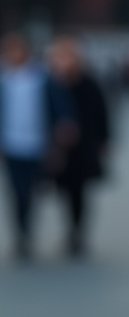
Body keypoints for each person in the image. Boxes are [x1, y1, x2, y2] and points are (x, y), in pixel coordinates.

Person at [47, 38, 111, 257]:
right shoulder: (52, 84)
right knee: (63, 192)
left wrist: (104, 140)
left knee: (80, 192)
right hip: (60, 148)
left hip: (84, 146)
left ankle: (78, 233)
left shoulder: (89, 84)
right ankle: (70, 230)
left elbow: (102, 114)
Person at [0, 33, 57, 262]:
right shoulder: (4, 79)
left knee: (33, 192)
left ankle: (28, 231)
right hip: (11, 144)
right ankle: (21, 234)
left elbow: (56, 107)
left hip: (37, 144)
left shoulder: (41, 78)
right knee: (16, 193)